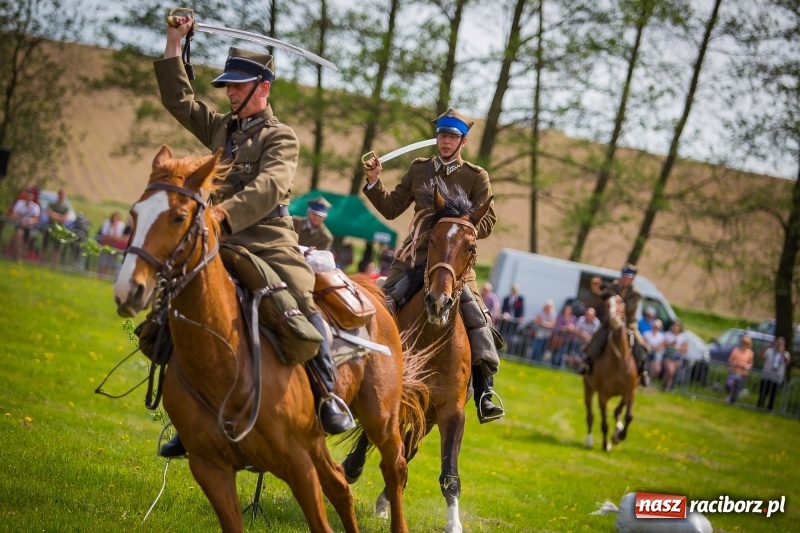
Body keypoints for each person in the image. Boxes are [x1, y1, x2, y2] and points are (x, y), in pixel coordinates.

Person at [152, 16, 354, 457]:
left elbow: (269, 188)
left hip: (266, 241)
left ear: (263, 88)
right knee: (172, 301)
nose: (229, 92)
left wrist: (221, 216)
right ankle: (188, 416)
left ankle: (328, 396)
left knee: (299, 299)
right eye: (227, 85)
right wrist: (174, 41)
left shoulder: (282, 137)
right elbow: (179, 99)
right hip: (217, 241)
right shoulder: (222, 128)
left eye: (238, 86)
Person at [361, 108, 504, 423]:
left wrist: (456, 226)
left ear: (462, 141)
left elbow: (489, 221)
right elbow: (392, 208)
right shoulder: (419, 169)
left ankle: (484, 392)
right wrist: (374, 182)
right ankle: (359, 374)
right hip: (413, 259)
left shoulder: (475, 176)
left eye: (452, 136)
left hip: (454, 265)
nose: (446, 141)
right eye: (442, 135)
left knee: (478, 319)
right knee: (377, 309)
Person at [580, 265, 651, 386]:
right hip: (611, 322)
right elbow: (603, 296)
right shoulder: (615, 286)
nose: (623, 279)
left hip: (628, 324)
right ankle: (588, 363)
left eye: (626, 277)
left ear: (632, 278)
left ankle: (642, 371)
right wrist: (596, 288)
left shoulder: (636, 293)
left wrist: (615, 300)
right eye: (622, 276)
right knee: (597, 337)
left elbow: (627, 308)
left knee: (640, 344)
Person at [757, 337, 789, 410]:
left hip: (776, 378)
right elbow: (760, 356)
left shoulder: (785, 353)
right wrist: (766, 347)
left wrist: (782, 351)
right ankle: (759, 408)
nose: (778, 345)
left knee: (773, 396)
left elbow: (787, 361)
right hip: (766, 376)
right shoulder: (769, 351)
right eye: (777, 343)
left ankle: (769, 410)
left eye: (780, 344)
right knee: (763, 393)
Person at [9, 188, 41, 259]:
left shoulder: (35, 207)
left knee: (27, 241)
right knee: (19, 234)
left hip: (30, 228)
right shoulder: (19, 203)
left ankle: (21, 254)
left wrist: (29, 221)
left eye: (30, 195)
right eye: (28, 195)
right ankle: (19, 253)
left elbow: (36, 219)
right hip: (19, 225)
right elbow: (13, 215)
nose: (29, 197)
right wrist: (22, 220)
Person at [567, 307, 600, 371]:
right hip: (578, 342)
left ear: (594, 315)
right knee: (573, 356)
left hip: (589, 345)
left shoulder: (597, 323)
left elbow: (595, 335)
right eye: (587, 314)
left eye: (590, 315)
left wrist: (584, 334)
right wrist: (584, 334)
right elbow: (576, 330)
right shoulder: (581, 319)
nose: (588, 316)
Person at [726, 335, 753, 404]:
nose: (744, 345)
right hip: (734, 371)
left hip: (743, 374)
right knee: (729, 384)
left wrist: (745, 366)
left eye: (746, 343)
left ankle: (732, 401)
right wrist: (735, 363)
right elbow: (730, 360)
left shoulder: (750, 353)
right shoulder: (735, 350)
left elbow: (750, 365)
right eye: (743, 343)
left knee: (737, 388)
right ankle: (730, 396)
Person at [661, 320, 687, 391]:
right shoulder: (667, 335)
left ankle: (668, 388)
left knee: (673, 374)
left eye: (677, 326)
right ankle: (665, 387)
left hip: (677, 357)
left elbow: (685, 349)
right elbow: (663, 345)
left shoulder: (682, 337)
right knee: (670, 371)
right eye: (675, 325)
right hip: (668, 356)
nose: (676, 327)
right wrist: (671, 343)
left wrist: (678, 348)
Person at [642, 319, 666, 383]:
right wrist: (653, 347)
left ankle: (649, 380)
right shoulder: (646, 333)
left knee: (657, 369)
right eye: (654, 326)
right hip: (646, 354)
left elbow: (661, 345)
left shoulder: (661, 336)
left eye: (657, 327)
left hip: (656, 356)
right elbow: (644, 343)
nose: (655, 328)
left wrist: (652, 347)